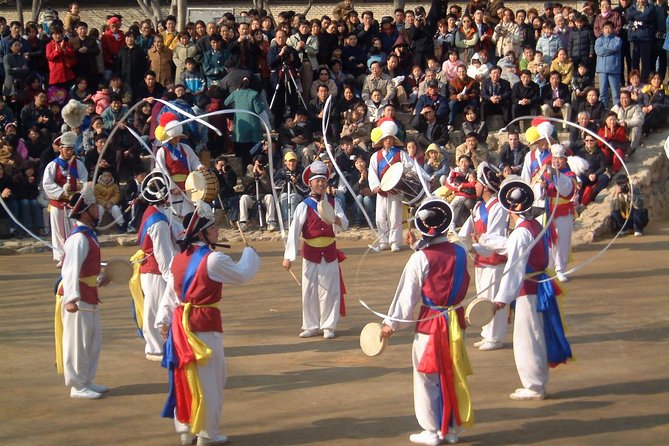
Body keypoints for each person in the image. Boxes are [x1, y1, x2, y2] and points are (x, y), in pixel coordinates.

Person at [158, 202, 260, 446]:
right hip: (203, 327)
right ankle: (207, 433)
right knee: (210, 379)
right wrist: (250, 253)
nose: (217, 232)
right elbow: (242, 274)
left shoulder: (179, 259)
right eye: (213, 228)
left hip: (180, 327)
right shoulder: (213, 260)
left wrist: (163, 320)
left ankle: (186, 430)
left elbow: (172, 293)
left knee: (185, 377)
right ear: (202, 233)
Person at [380, 198, 472, 446]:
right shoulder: (461, 252)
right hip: (454, 320)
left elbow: (406, 296)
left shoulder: (420, 259)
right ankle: (450, 428)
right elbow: (443, 265)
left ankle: (432, 430)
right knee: (450, 374)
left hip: (432, 323)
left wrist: (392, 324)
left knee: (426, 376)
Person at [491, 177, 572, 400]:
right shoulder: (534, 225)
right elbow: (512, 249)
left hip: (528, 288)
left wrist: (502, 299)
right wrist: (483, 243)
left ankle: (534, 384)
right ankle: (537, 381)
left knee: (528, 337)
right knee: (536, 334)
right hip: (537, 285)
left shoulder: (520, 232)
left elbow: (514, 266)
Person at [282, 160, 348, 339]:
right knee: (309, 290)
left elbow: (345, 224)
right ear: (310, 183)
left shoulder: (334, 203)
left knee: (329, 290)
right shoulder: (304, 206)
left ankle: (328, 326)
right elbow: (294, 231)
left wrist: (335, 219)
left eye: (323, 181)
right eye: (317, 181)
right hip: (310, 253)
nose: (320, 184)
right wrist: (289, 257)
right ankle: (310, 325)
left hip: (329, 251)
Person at [55, 183, 108, 399]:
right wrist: (70, 299)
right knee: (77, 341)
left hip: (88, 291)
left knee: (91, 340)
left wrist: (101, 278)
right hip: (78, 296)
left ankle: (86, 379)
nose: (98, 210)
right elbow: (70, 270)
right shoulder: (78, 238)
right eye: (94, 207)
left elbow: (86, 267)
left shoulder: (88, 234)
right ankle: (77, 385)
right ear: (85, 213)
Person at [459, 162, 509, 351]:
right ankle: (486, 333)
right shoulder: (478, 206)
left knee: (493, 298)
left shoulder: (498, 207)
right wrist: (464, 243)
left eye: (478, 183)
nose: (475, 187)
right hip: (480, 261)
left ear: (486, 186)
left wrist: (476, 247)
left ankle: (496, 337)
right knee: (483, 297)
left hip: (494, 261)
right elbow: (465, 232)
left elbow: (495, 238)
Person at [129, 170, 178, 361]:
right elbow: (163, 254)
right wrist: (171, 276)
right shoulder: (157, 222)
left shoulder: (153, 213)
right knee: (157, 308)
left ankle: (158, 345)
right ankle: (156, 347)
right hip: (155, 270)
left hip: (149, 268)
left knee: (153, 306)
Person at [368, 121, 414, 252]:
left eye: (390, 138)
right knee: (380, 217)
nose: (388, 141)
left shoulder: (401, 154)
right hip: (382, 189)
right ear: (382, 140)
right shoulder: (375, 156)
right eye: (386, 138)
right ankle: (383, 240)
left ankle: (394, 241)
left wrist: (410, 176)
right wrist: (375, 186)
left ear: (394, 140)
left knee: (395, 216)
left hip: (396, 189)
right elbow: (372, 173)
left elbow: (412, 167)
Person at [42, 131, 87, 266]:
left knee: (76, 229)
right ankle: (62, 256)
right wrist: (63, 193)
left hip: (74, 203)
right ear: (60, 149)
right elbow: (47, 184)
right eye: (66, 149)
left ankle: (76, 255)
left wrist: (80, 186)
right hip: (58, 202)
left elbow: (84, 180)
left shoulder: (78, 164)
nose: (69, 152)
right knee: (59, 232)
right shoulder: (52, 165)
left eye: (71, 149)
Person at [154, 112, 205, 217]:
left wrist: (199, 167)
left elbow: (194, 161)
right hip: (173, 188)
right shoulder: (162, 151)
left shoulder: (186, 148)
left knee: (189, 215)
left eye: (178, 137)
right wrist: (171, 187)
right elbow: (161, 171)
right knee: (176, 217)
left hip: (189, 186)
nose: (178, 139)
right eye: (175, 137)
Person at [542, 145, 579, 283]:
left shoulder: (570, 175)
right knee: (549, 242)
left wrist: (555, 174)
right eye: (555, 158)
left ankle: (560, 269)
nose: (556, 161)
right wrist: (542, 186)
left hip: (563, 213)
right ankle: (549, 268)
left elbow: (567, 190)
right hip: (548, 212)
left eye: (560, 159)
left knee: (562, 241)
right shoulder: (546, 173)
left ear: (565, 160)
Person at [239, 154, 278, 231]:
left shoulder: (268, 170)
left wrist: (263, 176)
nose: (258, 166)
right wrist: (253, 174)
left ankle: (271, 221)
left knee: (270, 197)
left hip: (263, 196)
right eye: (257, 164)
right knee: (243, 198)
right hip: (252, 197)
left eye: (260, 164)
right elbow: (245, 183)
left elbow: (269, 188)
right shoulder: (249, 168)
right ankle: (243, 222)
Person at [275, 151, 308, 226]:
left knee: (293, 197)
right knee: (284, 197)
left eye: (293, 161)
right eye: (290, 161)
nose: (292, 163)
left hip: (299, 195)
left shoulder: (302, 171)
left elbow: (306, 189)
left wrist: (296, 183)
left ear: (296, 162)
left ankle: (293, 220)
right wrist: (285, 182)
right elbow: (275, 184)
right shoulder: (281, 172)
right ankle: (286, 220)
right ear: (285, 162)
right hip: (285, 193)